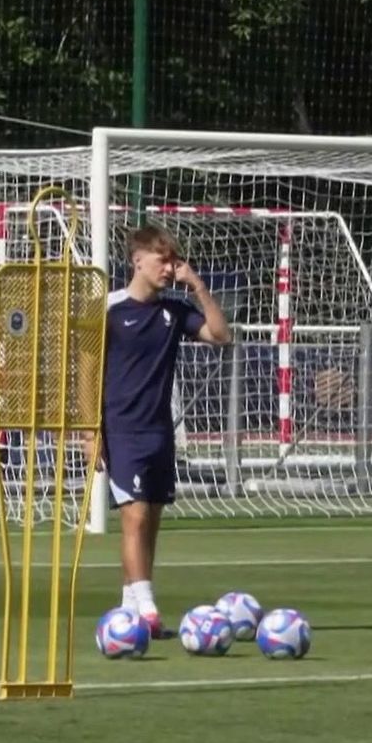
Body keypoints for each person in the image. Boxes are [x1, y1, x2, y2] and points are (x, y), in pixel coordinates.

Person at [102, 225, 232, 637]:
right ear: (138, 260)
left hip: (159, 431)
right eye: (162, 259)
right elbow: (83, 372)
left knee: (151, 520)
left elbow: (220, 336)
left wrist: (196, 284)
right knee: (134, 517)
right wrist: (88, 433)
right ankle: (149, 607)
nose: (168, 267)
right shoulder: (107, 309)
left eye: (173, 260)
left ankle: (131, 611)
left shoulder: (174, 311)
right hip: (120, 430)